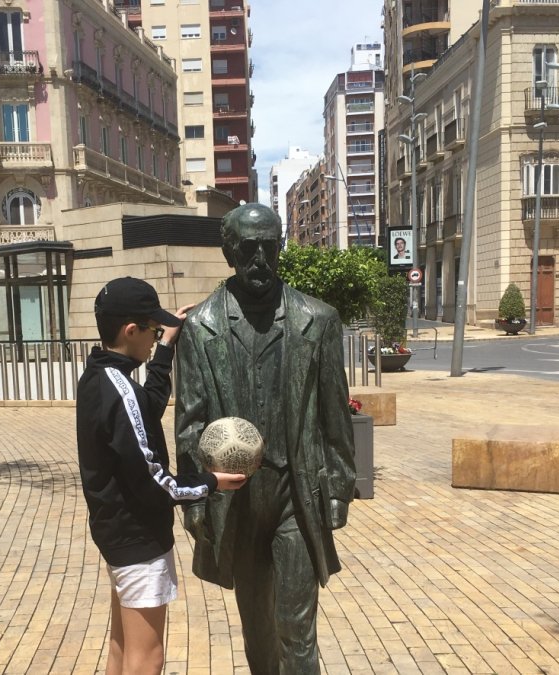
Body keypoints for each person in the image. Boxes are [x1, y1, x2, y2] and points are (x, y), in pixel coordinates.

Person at [175, 204, 356, 674]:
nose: (259, 258)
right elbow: (190, 422)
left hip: (295, 494)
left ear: (280, 247)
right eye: (247, 248)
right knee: (256, 628)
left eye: (269, 246)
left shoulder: (317, 321)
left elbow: (335, 414)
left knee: (295, 625)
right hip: (236, 501)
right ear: (228, 251)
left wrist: (338, 488)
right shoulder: (201, 328)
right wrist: (195, 501)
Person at [77, 276, 247, 675]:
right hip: (138, 541)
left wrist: (166, 348)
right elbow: (158, 482)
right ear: (130, 330)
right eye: (153, 330)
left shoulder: (99, 377)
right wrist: (212, 483)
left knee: (122, 646)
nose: (156, 336)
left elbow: (145, 408)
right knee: (147, 656)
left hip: (116, 532)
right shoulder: (119, 390)